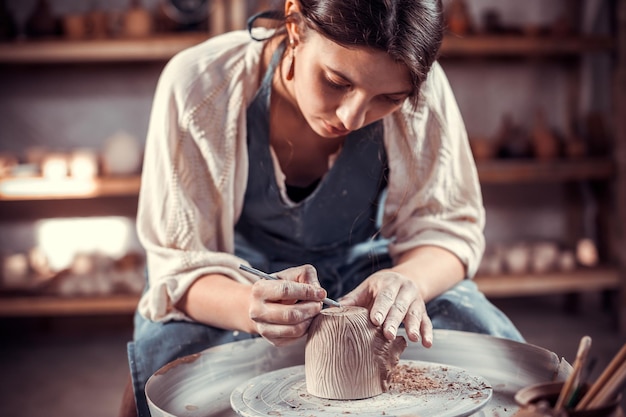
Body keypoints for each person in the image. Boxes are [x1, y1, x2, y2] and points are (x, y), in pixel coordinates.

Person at [121, 0, 525, 415]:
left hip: (366, 274)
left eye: (388, 97)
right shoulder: (200, 84)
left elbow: (449, 230)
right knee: (175, 368)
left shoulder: (423, 85)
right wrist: (251, 308)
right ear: (295, 25)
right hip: (240, 276)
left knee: (481, 340)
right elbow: (178, 266)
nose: (352, 116)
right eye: (336, 81)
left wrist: (406, 281)